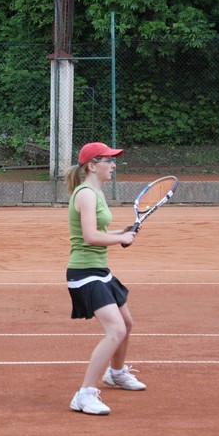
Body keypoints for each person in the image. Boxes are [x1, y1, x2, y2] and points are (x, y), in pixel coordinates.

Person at [66, 142, 146, 416]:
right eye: (108, 161)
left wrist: (118, 232)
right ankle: (84, 394)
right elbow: (90, 237)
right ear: (92, 166)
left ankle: (116, 373)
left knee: (127, 323)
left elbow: (97, 231)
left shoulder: (96, 192)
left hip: (99, 270)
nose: (113, 165)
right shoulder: (86, 194)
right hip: (84, 272)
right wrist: (120, 239)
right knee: (116, 331)